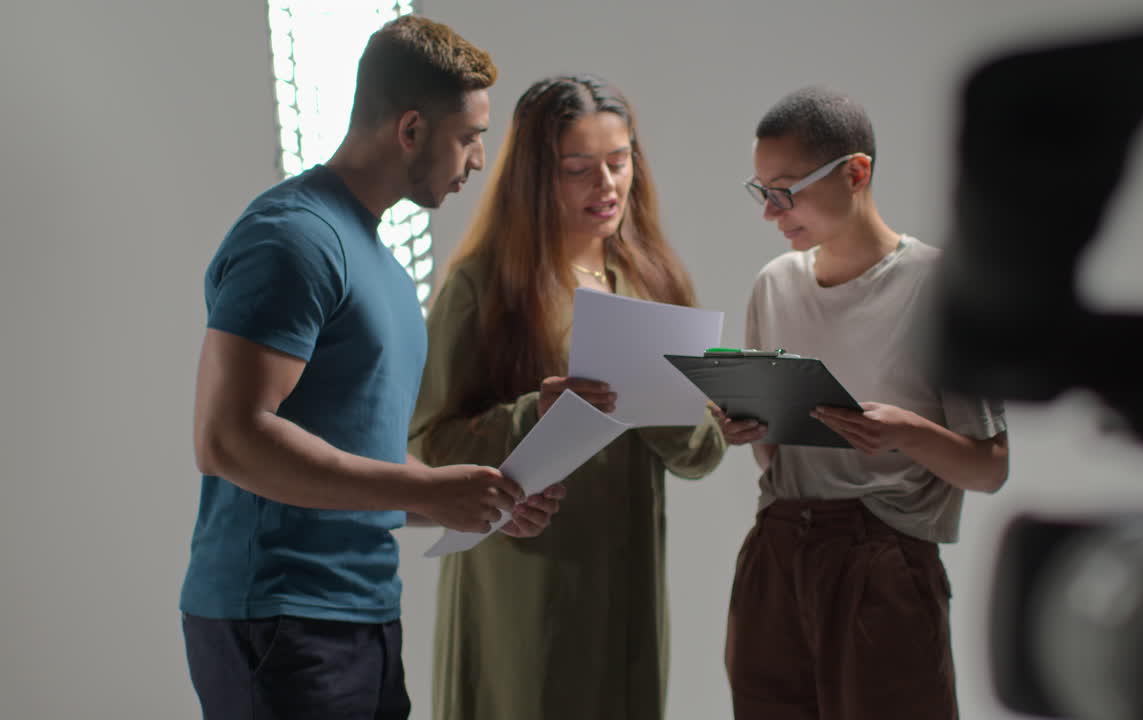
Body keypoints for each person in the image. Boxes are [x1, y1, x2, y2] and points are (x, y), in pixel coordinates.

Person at [179, 16, 565, 720]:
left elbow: (357, 467)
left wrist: (477, 504)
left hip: (363, 617)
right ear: (411, 130)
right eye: (470, 137)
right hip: (278, 615)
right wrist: (427, 489)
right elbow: (227, 438)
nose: (478, 161)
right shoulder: (295, 240)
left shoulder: (382, 265)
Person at [410, 74, 727, 720]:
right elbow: (429, 441)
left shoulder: (650, 280)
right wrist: (533, 412)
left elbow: (700, 455)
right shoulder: (483, 288)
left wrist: (675, 405)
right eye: (579, 168)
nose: (606, 185)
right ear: (534, 177)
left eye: (619, 161)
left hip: (627, 584)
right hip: (523, 588)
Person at [715, 86, 1010, 720]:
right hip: (777, 549)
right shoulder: (775, 284)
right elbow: (774, 460)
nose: (772, 212)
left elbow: (990, 469)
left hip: (885, 560)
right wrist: (748, 422)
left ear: (856, 172)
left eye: (786, 190)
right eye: (762, 191)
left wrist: (906, 433)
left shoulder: (940, 289)